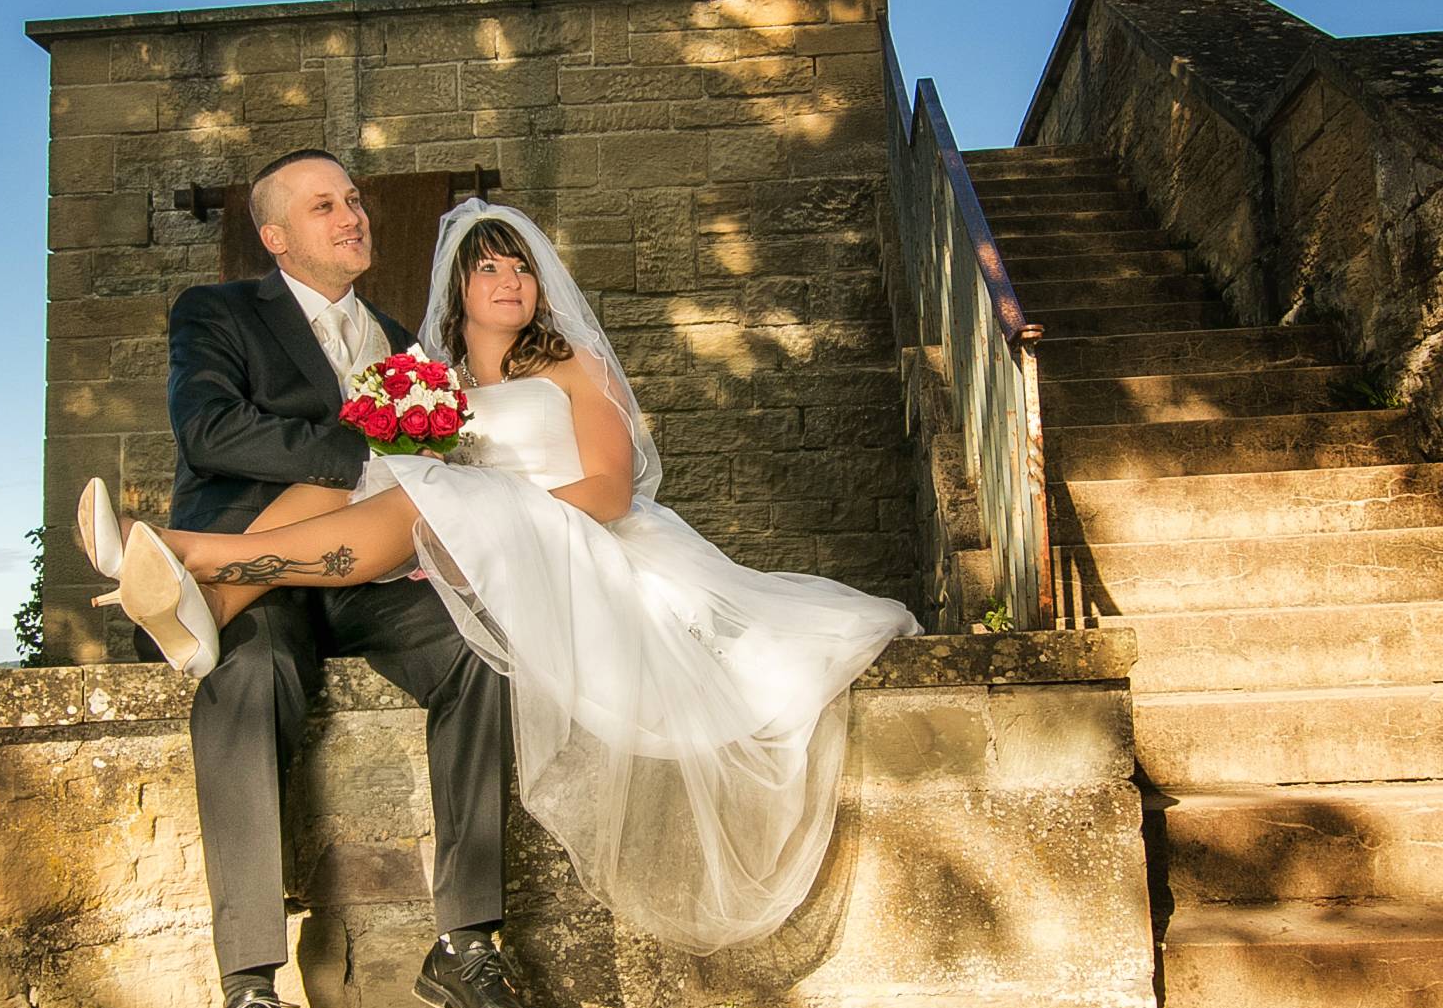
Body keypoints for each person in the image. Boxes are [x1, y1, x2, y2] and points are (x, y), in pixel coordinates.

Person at [85, 197, 918, 961]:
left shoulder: (574, 367)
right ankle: (210, 587)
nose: (510, 280)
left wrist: (492, 513)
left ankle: (186, 556)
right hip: (474, 549)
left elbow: (609, 489)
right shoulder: (434, 388)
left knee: (422, 487)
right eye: (489, 266)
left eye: (521, 267)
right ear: (457, 284)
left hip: (583, 540)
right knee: (368, 467)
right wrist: (454, 516)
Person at [79, 152, 548, 1008]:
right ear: (276, 235)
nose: (352, 216)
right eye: (324, 205)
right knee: (247, 680)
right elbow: (209, 431)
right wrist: (358, 447)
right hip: (271, 574)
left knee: (477, 650)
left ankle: (465, 940)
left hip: (371, 576)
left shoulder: (404, 342)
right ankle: (250, 994)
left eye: (357, 201)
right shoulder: (217, 313)